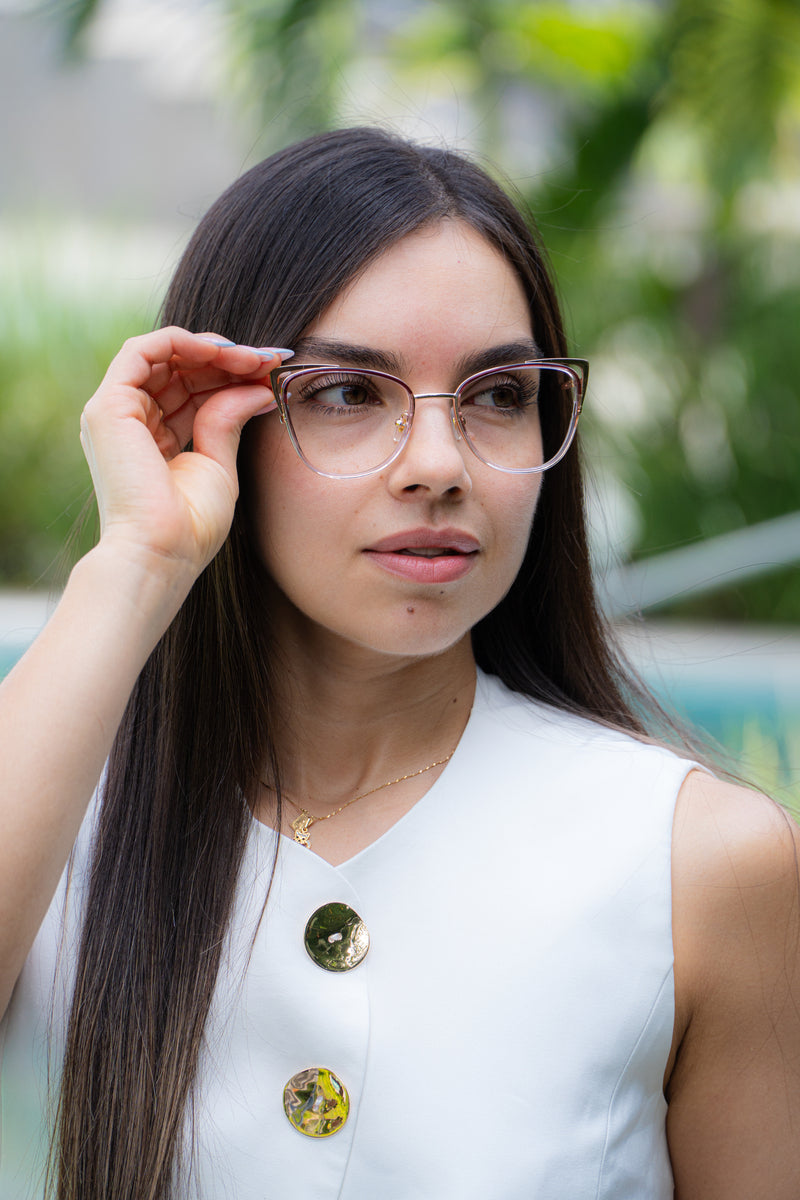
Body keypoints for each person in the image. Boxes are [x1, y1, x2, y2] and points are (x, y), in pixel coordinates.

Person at [1, 126, 799, 1200]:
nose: (437, 464)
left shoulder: (697, 863)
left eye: (497, 395)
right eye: (345, 394)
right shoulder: (53, 812)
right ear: (218, 422)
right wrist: (141, 558)